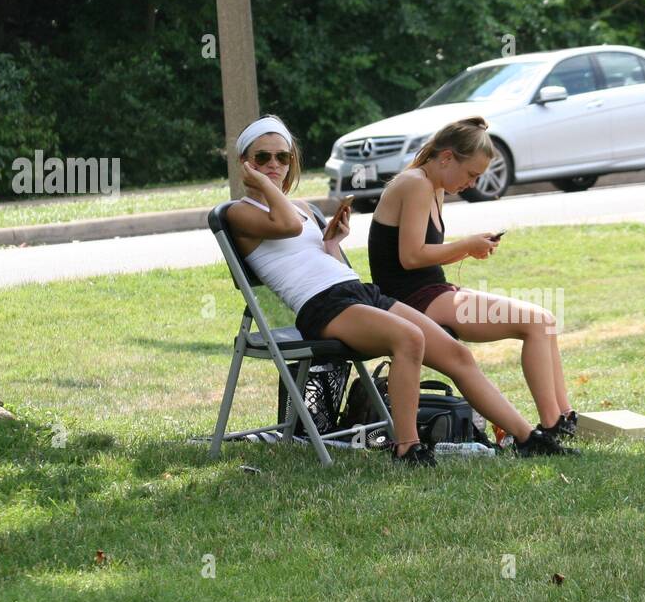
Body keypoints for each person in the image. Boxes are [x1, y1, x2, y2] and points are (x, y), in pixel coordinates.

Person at [224, 115, 574, 466]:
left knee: (457, 355)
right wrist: (262, 183)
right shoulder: (239, 213)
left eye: (282, 158)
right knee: (409, 339)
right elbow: (283, 225)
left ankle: (529, 438)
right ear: (245, 163)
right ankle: (407, 448)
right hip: (321, 307)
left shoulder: (301, 209)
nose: (273, 165)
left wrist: (332, 244)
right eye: (262, 158)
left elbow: (316, 257)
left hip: (355, 291)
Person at [368, 116, 578, 441]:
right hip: (413, 301)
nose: (472, 183)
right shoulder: (416, 184)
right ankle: (551, 427)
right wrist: (466, 246)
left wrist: (470, 249)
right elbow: (410, 257)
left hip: (431, 292)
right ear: (447, 157)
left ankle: (564, 418)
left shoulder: (432, 186)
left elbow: (423, 255)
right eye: (471, 174)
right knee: (536, 322)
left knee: (545, 320)